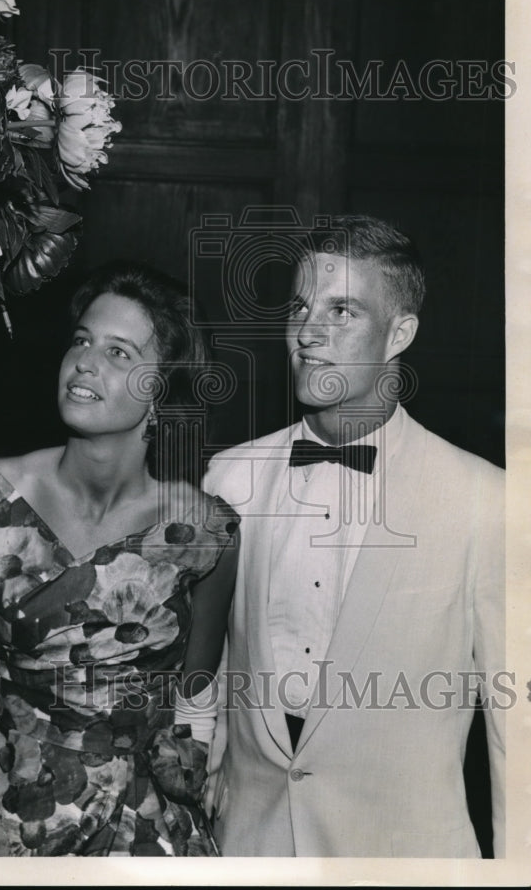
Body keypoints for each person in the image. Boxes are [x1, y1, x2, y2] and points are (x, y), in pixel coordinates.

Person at [0, 260, 240, 857]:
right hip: (8, 824)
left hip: (141, 830)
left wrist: (197, 824)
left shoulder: (209, 533)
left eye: (120, 353)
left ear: (161, 390)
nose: (86, 362)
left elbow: (194, 703)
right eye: (82, 341)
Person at [203, 215, 505, 857]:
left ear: (400, 333)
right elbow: (212, 668)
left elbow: (518, 723)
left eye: (342, 311)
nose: (309, 333)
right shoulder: (230, 478)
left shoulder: (486, 499)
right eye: (301, 307)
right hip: (249, 846)